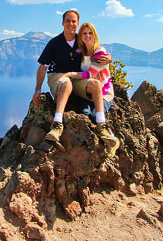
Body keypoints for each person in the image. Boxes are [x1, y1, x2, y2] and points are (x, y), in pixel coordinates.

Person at [32, 10, 111, 145]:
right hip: (58, 77)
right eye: (68, 21)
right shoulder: (54, 43)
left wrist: (108, 58)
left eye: (74, 21)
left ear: (77, 23)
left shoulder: (81, 41)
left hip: (77, 78)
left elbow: (95, 50)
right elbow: (43, 67)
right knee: (67, 83)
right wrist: (37, 90)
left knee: (96, 84)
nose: (71, 24)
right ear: (63, 23)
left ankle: (102, 124)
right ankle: (57, 124)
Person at [65, 22, 119, 148]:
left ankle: (110, 140)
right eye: (84, 33)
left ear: (94, 35)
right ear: (80, 36)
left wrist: (69, 74)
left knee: (95, 117)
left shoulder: (100, 51)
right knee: (84, 115)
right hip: (87, 93)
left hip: (103, 93)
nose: (87, 36)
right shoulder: (80, 52)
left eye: (90, 33)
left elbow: (91, 74)